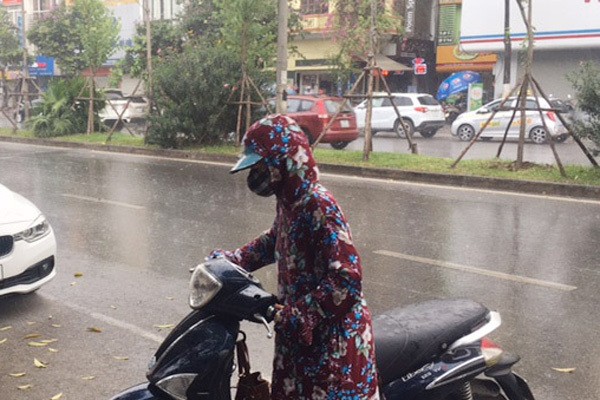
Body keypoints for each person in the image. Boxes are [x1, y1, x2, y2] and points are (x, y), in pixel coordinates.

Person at [210, 115, 380, 399]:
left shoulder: (318, 203)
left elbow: (346, 278)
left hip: (331, 345)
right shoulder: (290, 201)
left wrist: (302, 314)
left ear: (283, 160)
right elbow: (275, 240)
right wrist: (232, 260)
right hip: (301, 341)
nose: (255, 176)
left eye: (261, 166)